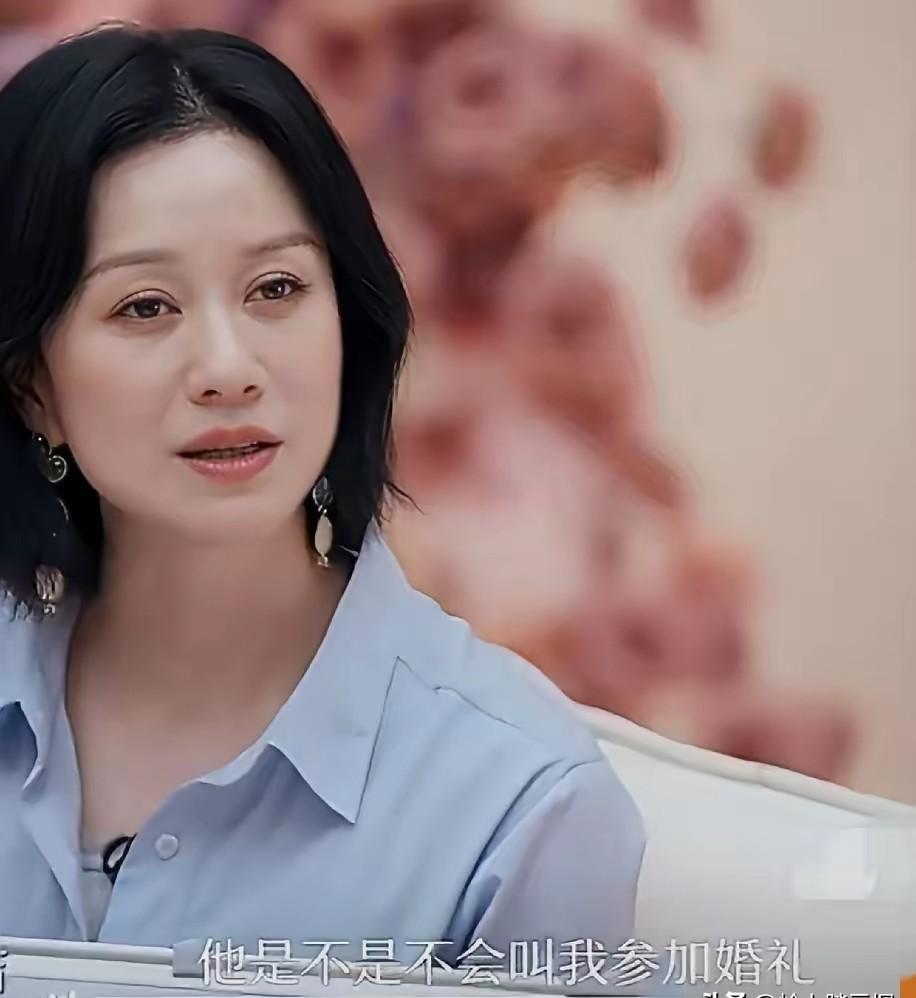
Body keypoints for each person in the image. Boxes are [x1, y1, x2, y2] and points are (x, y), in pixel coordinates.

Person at [0, 22, 645, 972]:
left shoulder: (519, 805)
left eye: (276, 288)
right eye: (146, 306)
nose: (228, 367)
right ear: (32, 387)